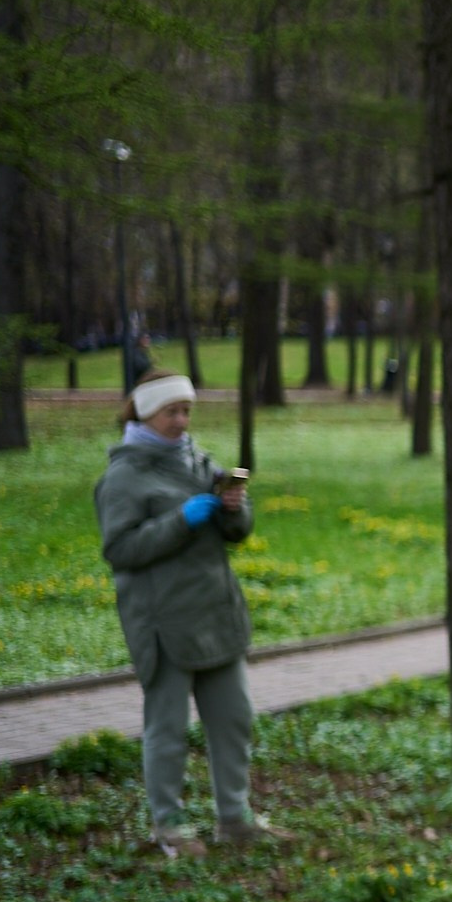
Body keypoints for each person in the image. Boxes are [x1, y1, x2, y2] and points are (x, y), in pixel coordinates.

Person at [93, 367, 276, 857]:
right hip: (163, 622)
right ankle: (169, 825)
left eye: (187, 410)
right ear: (146, 412)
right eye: (172, 411)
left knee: (233, 720)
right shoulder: (124, 475)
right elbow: (120, 548)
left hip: (215, 613)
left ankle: (234, 818)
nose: (182, 420)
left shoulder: (197, 459)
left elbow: (237, 531)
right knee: (168, 729)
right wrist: (181, 520)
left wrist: (234, 508)